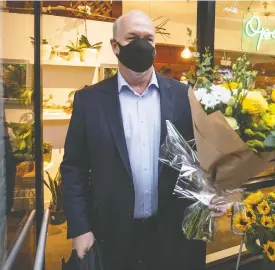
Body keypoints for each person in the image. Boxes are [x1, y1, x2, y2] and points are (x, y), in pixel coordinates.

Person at [61, 10, 206, 270]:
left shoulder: (182, 95)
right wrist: (79, 228)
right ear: (115, 47)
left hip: (170, 234)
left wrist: (211, 193)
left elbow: (198, 158)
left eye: (148, 39)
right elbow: (74, 168)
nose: (142, 44)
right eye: (132, 37)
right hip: (110, 235)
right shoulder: (89, 101)